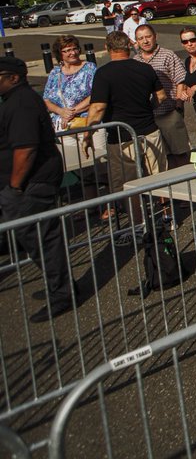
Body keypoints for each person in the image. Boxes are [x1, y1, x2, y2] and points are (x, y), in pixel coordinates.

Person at [1, 55, 80, 323]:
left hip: (30, 184)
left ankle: (62, 294)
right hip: (26, 185)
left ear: (13, 78)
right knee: (34, 239)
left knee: (42, 240)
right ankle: (61, 287)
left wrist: (15, 186)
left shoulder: (22, 103)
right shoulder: (15, 100)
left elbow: (25, 149)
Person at [84, 31, 167, 243]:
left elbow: (97, 108)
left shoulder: (103, 74)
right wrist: (147, 110)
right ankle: (163, 219)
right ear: (129, 47)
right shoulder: (145, 68)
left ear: (107, 48)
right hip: (149, 131)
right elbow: (161, 96)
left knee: (129, 186)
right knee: (158, 178)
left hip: (120, 137)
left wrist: (87, 134)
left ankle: (138, 226)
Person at [134, 24, 191, 168]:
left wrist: (178, 105)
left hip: (169, 114)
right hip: (149, 118)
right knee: (161, 157)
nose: (145, 41)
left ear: (155, 36)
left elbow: (180, 80)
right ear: (137, 41)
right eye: (141, 38)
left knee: (180, 154)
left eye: (148, 37)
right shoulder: (135, 61)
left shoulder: (168, 55)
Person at [42, 35, 102, 165]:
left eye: (75, 49)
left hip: (88, 123)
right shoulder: (55, 72)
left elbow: (96, 95)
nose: (73, 53)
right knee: (74, 163)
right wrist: (61, 112)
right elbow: (46, 100)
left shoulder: (90, 68)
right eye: (67, 50)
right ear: (60, 53)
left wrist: (72, 112)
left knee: (98, 161)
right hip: (64, 126)